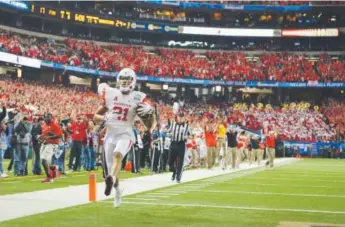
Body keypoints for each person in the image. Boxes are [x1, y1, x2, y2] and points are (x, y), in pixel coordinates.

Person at [93, 68, 156, 208]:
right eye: (122, 80)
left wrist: (150, 115)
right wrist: (104, 118)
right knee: (110, 170)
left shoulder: (138, 97)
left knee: (118, 156)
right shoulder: (110, 93)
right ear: (118, 80)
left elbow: (149, 125)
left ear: (133, 82)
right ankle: (117, 189)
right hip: (110, 135)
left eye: (127, 80)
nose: (124, 82)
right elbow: (95, 117)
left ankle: (112, 178)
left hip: (126, 134)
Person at [38, 113, 63, 183]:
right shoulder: (45, 125)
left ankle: (49, 177)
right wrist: (41, 138)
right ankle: (54, 170)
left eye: (49, 118)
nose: (47, 119)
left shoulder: (54, 125)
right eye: (46, 117)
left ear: (51, 118)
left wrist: (49, 137)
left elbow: (60, 135)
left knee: (43, 160)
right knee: (44, 160)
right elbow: (44, 135)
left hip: (52, 144)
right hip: (45, 144)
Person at [167, 112, 189, 183]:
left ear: (184, 118)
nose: (180, 118)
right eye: (179, 117)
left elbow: (189, 135)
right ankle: (175, 171)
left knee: (180, 162)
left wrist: (187, 137)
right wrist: (170, 134)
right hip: (173, 144)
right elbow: (168, 132)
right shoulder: (173, 124)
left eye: (182, 117)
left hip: (181, 145)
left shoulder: (186, 125)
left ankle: (178, 177)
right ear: (177, 117)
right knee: (170, 163)